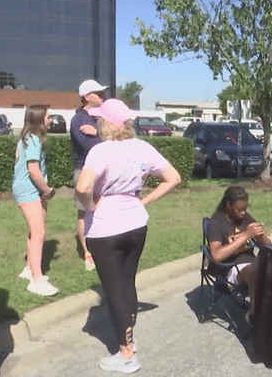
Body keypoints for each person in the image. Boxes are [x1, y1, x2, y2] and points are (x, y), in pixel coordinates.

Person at [75, 99, 181, 373]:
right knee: (127, 282)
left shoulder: (100, 151)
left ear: (106, 123)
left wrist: (90, 207)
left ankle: (126, 354)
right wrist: (144, 201)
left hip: (106, 227)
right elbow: (173, 178)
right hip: (136, 223)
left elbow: (83, 187)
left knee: (114, 290)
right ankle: (130, 340)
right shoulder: (142, 147)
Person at [206, 186, 271, 324]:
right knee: (257, 272)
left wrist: (261, 236)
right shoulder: (216, 223)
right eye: (239, 209)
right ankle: (255, 316)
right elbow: (216, 255)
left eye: (245, 209)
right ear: (228, 205)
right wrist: (246, 235)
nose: (243, 213)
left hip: (252, 262)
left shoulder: (246, 218)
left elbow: (268, 247)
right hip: (231, 268)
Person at [13, 105, 59, 296]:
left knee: (35, 230)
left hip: (32, 191)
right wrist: (47, 190)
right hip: (29, 191)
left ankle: (29, 269)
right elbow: (33, 170)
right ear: (39, 119)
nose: (50, 120)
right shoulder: (33, 139)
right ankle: (36, 279)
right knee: (39, 232)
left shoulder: (28, 138)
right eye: (48, 117)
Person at [70, 79, 108, 271]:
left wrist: (98, 132)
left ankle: (101, 246)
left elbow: (117, 138)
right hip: (84, 170)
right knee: (84, 211)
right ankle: (87, 253)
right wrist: (99, 136)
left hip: (102, 171)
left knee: (101, 209)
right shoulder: (79, 119)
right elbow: (90, 147)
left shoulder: (100, 118)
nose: (102, 96)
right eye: (98, 92)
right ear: (86, 96)